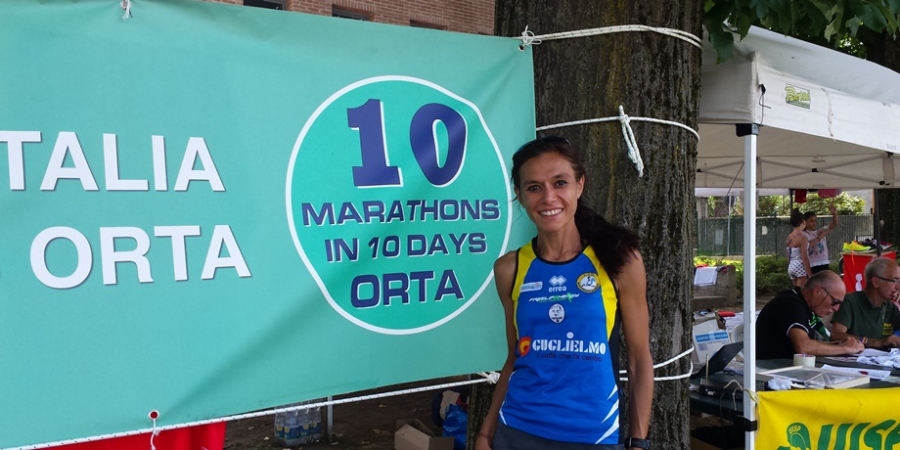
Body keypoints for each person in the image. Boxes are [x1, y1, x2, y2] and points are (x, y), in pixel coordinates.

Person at [476, 136, 653, 450]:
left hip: (593, 435)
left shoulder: (619, 259)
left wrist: (639, 442)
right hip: (516, 430)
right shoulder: (509, 269)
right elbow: (513, 358)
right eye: (533, 187)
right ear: (518, 195)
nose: (548, 197)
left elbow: (640, 360)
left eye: (560, 183)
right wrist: (486, 433)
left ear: (579, 185)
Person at [756, 270, 864, 360]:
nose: (836, 308)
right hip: (771, 373)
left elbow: (814, 344)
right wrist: (845, 349)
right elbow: (804, 347)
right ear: (817, 291)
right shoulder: (791, 304)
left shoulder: (805, 304)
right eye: (835, 302)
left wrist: (839, 345)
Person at [830, 257, 900, 349]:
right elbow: (836, 335)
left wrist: (896, 335)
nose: (898, 287)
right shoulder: (850, 301)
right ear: (876, 282)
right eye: (894, 281)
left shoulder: (890, 307)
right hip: (854, 360)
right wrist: (875, 342)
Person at [803, 204, 838, 274]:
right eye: (811, 221)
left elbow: (834, 224)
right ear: (804, 222)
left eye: (815, 220)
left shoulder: (819, 231)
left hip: (824, 262)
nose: (814, 223)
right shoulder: (804, 234)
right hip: (812, 264)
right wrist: (820, 237)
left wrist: (834, 214)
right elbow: (807, 245)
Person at [786, 208, 812, 287]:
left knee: (796, 292)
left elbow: (788, 255)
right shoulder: (802, 238)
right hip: (800, 265)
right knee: (801, 293)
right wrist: (810, 275)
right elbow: (804, 257)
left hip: (791, 266)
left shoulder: (789, 237)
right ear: (803, 222)